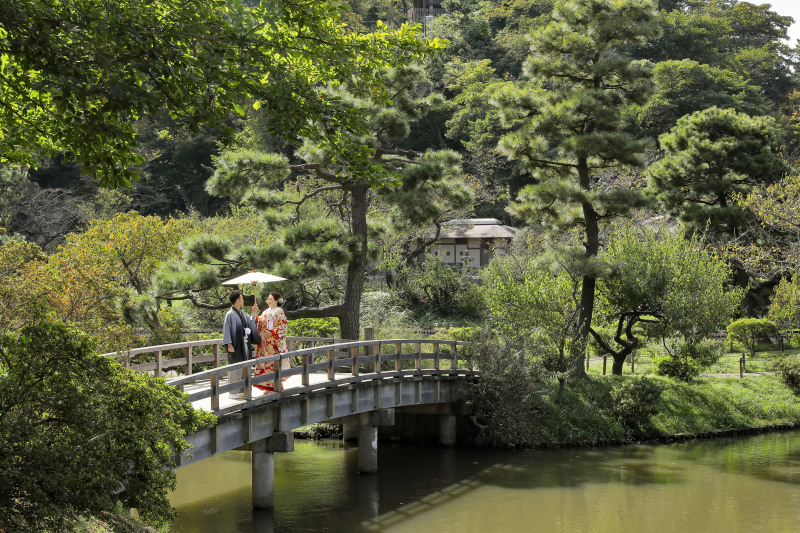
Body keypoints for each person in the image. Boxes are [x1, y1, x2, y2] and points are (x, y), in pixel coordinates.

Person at [221, 289, 258, 399]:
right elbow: (226, 330)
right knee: (235, 367)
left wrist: (254, 312)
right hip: (236, 344)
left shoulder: (242, 313)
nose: (243, 300)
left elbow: (251, 321)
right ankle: (232, 391)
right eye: (242, 298)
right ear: (237, 300)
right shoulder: (230, 314)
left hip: (244, 344)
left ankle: (243, 389)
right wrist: (228, 344)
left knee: (244, 366)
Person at [252, 291, 289, 393]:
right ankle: (267, 387)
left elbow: (283, 326)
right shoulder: (265, 312)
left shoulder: (279, 311)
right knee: (265, 365)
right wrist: (255, 313)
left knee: (274, 365)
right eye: (268, 299)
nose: (268, 301)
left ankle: (276, 386)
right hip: (265, 344)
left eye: (271, 299)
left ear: (276, 301)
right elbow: (259, 322)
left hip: (274, 344)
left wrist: (271, 332)